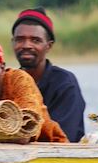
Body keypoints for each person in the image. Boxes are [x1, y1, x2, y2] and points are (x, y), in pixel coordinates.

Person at [11, 8, 86, 142]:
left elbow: (63, 136)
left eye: (35, 40)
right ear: (13, 43)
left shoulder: (64, 83)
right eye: (20, 39)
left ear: (48, 46)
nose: (26, 45)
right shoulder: (10, 82)